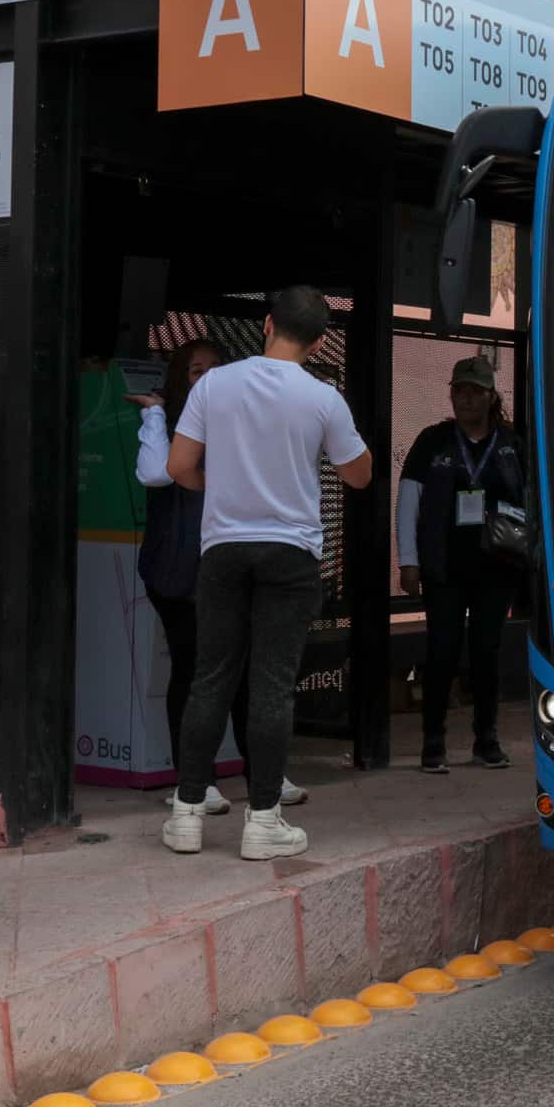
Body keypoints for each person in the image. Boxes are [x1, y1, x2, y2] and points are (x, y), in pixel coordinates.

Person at [164, 287, 373, 860]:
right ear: (322, 340)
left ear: (266, 323)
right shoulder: (322, 396)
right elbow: (358, 476)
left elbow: (178, 466)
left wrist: (222, 489)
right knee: (273, 684)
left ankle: (185, 813)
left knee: (212, 677)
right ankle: (263, 821)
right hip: (291, 551)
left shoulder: (214, 384)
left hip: (225, 548)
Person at [130, 338, 305, 811]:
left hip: (229, 568)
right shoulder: (165, 422)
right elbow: (155, 473)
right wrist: (152, 415)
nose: (205, 379)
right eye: (194, 371)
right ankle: (197, 783)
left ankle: (264, 776)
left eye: (213, 370)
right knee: (192, 671)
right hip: (176, 573)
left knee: (247, 675)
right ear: (179, 379)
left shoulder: (235, 424)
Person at [398, 356, 525, 774]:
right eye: (459, 390)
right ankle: (433, 744)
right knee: (442, 652)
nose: (465, 398)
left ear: (491, 396)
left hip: (496, 569)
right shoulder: (433, 441)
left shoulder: (511, 444)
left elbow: (531, 504)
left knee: (487, 654)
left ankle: (485, 740)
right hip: (443, 568)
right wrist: (409, 561)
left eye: (474, 390)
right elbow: (408, 502)